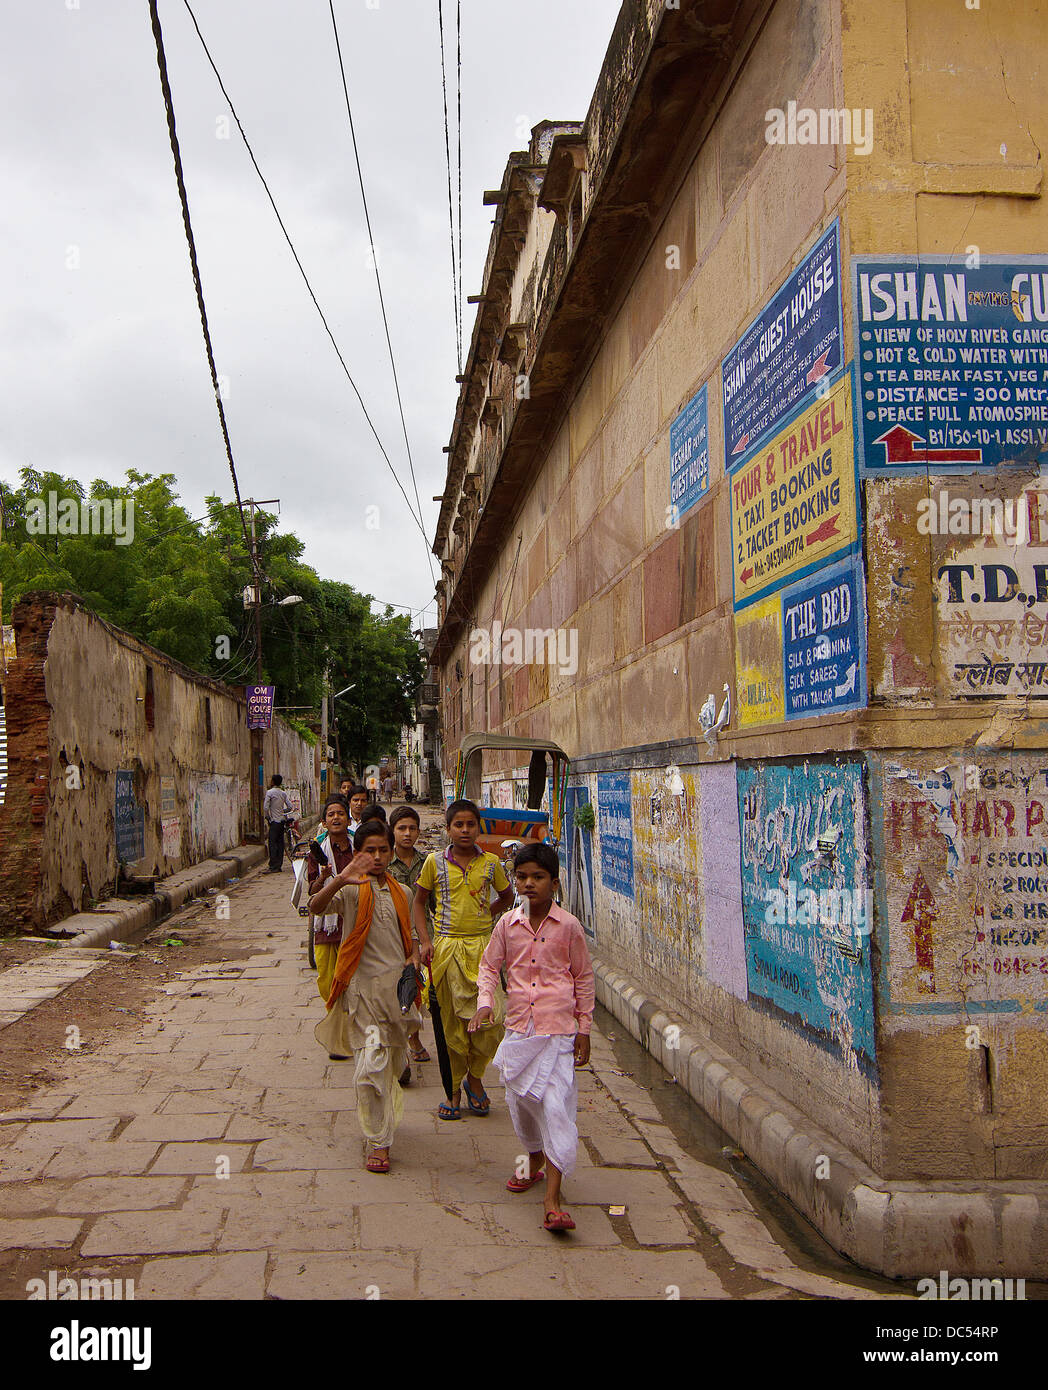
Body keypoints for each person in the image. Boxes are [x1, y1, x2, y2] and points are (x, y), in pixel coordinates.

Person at [470, 842, 594, 1233]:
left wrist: (585, 1028)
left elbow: (583, 977)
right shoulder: (506, 926)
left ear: (554, 883)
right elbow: (489, 968)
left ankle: (552, 1200)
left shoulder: (569, 926)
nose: (528, 884)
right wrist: (485, 1003)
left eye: (537, 877)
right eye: (521, 876)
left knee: (557, 1108)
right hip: (520, 1031)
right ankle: (535, 1158)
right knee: (521, 1105)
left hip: (558, 1033)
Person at [308, 819, 421, 1173]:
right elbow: (315, 907)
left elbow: (411, 938)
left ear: (390, 852)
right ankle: (378, 1141)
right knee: (370, 1067)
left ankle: (383, 1119)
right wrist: (340, 879)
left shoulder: (403, 892)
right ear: (359, 854)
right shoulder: (351, 890)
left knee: (392, 1064)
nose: (376, 856)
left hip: (397, 995)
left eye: (382, 850)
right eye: (368, 850)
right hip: (362, 993)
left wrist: (415, 960)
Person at [413, 799, 514, 1120]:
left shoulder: (491, 864)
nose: (465, 830)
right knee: (451, 1024)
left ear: (478, 828)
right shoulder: (433, 862)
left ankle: (476, 1078)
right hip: (445, 951)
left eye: (471, 824)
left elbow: (508, 897)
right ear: (448, 829)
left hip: (484, 950)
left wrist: (486, 916)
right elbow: (418, 904)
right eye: (459, 825)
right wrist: (426, 940)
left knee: (490, 1023)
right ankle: (453, 1090)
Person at [388, 805, 432, 1064]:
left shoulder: (427, 863)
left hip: (425, 932)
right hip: (393, 934)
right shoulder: (385, 863)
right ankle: (401, 1039)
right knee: (395, 985)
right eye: (401, 828)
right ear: (392, 831)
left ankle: (413, 1036)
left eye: (412, 828)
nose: (407, 834)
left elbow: (434, 901)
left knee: (418, 986)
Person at [306, 795, 355, 1010]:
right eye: (331, 815)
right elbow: (312, 893)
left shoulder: (359, 847)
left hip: (354, 922)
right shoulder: (317, 852)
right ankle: (335, 1017)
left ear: (349, 820)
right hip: (327, 927)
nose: (336, 818)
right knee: (327, 982)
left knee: (354, 980)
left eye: (341, 814)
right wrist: (322, 877)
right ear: (324, 823)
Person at [263, 774, 295, 872]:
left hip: (274, 822)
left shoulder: (270, 792)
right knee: (280, 843)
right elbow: (290, 807)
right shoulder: (283, 793)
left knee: (272, 843)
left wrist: (268, 818)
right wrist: (282, 811)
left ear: (273, 782)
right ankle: (279, 865)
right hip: (282, 821)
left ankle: (273, 865)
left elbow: (265, 808)